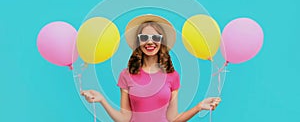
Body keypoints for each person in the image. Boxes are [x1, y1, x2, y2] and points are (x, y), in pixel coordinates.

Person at [81, 14, 221, 122]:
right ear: (138, 42)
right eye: (144, 37)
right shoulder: (126, 75)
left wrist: (199, 106)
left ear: (161, 41)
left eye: (155, 37)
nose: (149, 41)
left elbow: (172, 118)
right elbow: (124, 118)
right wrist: (102, 100)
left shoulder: (173, 76)